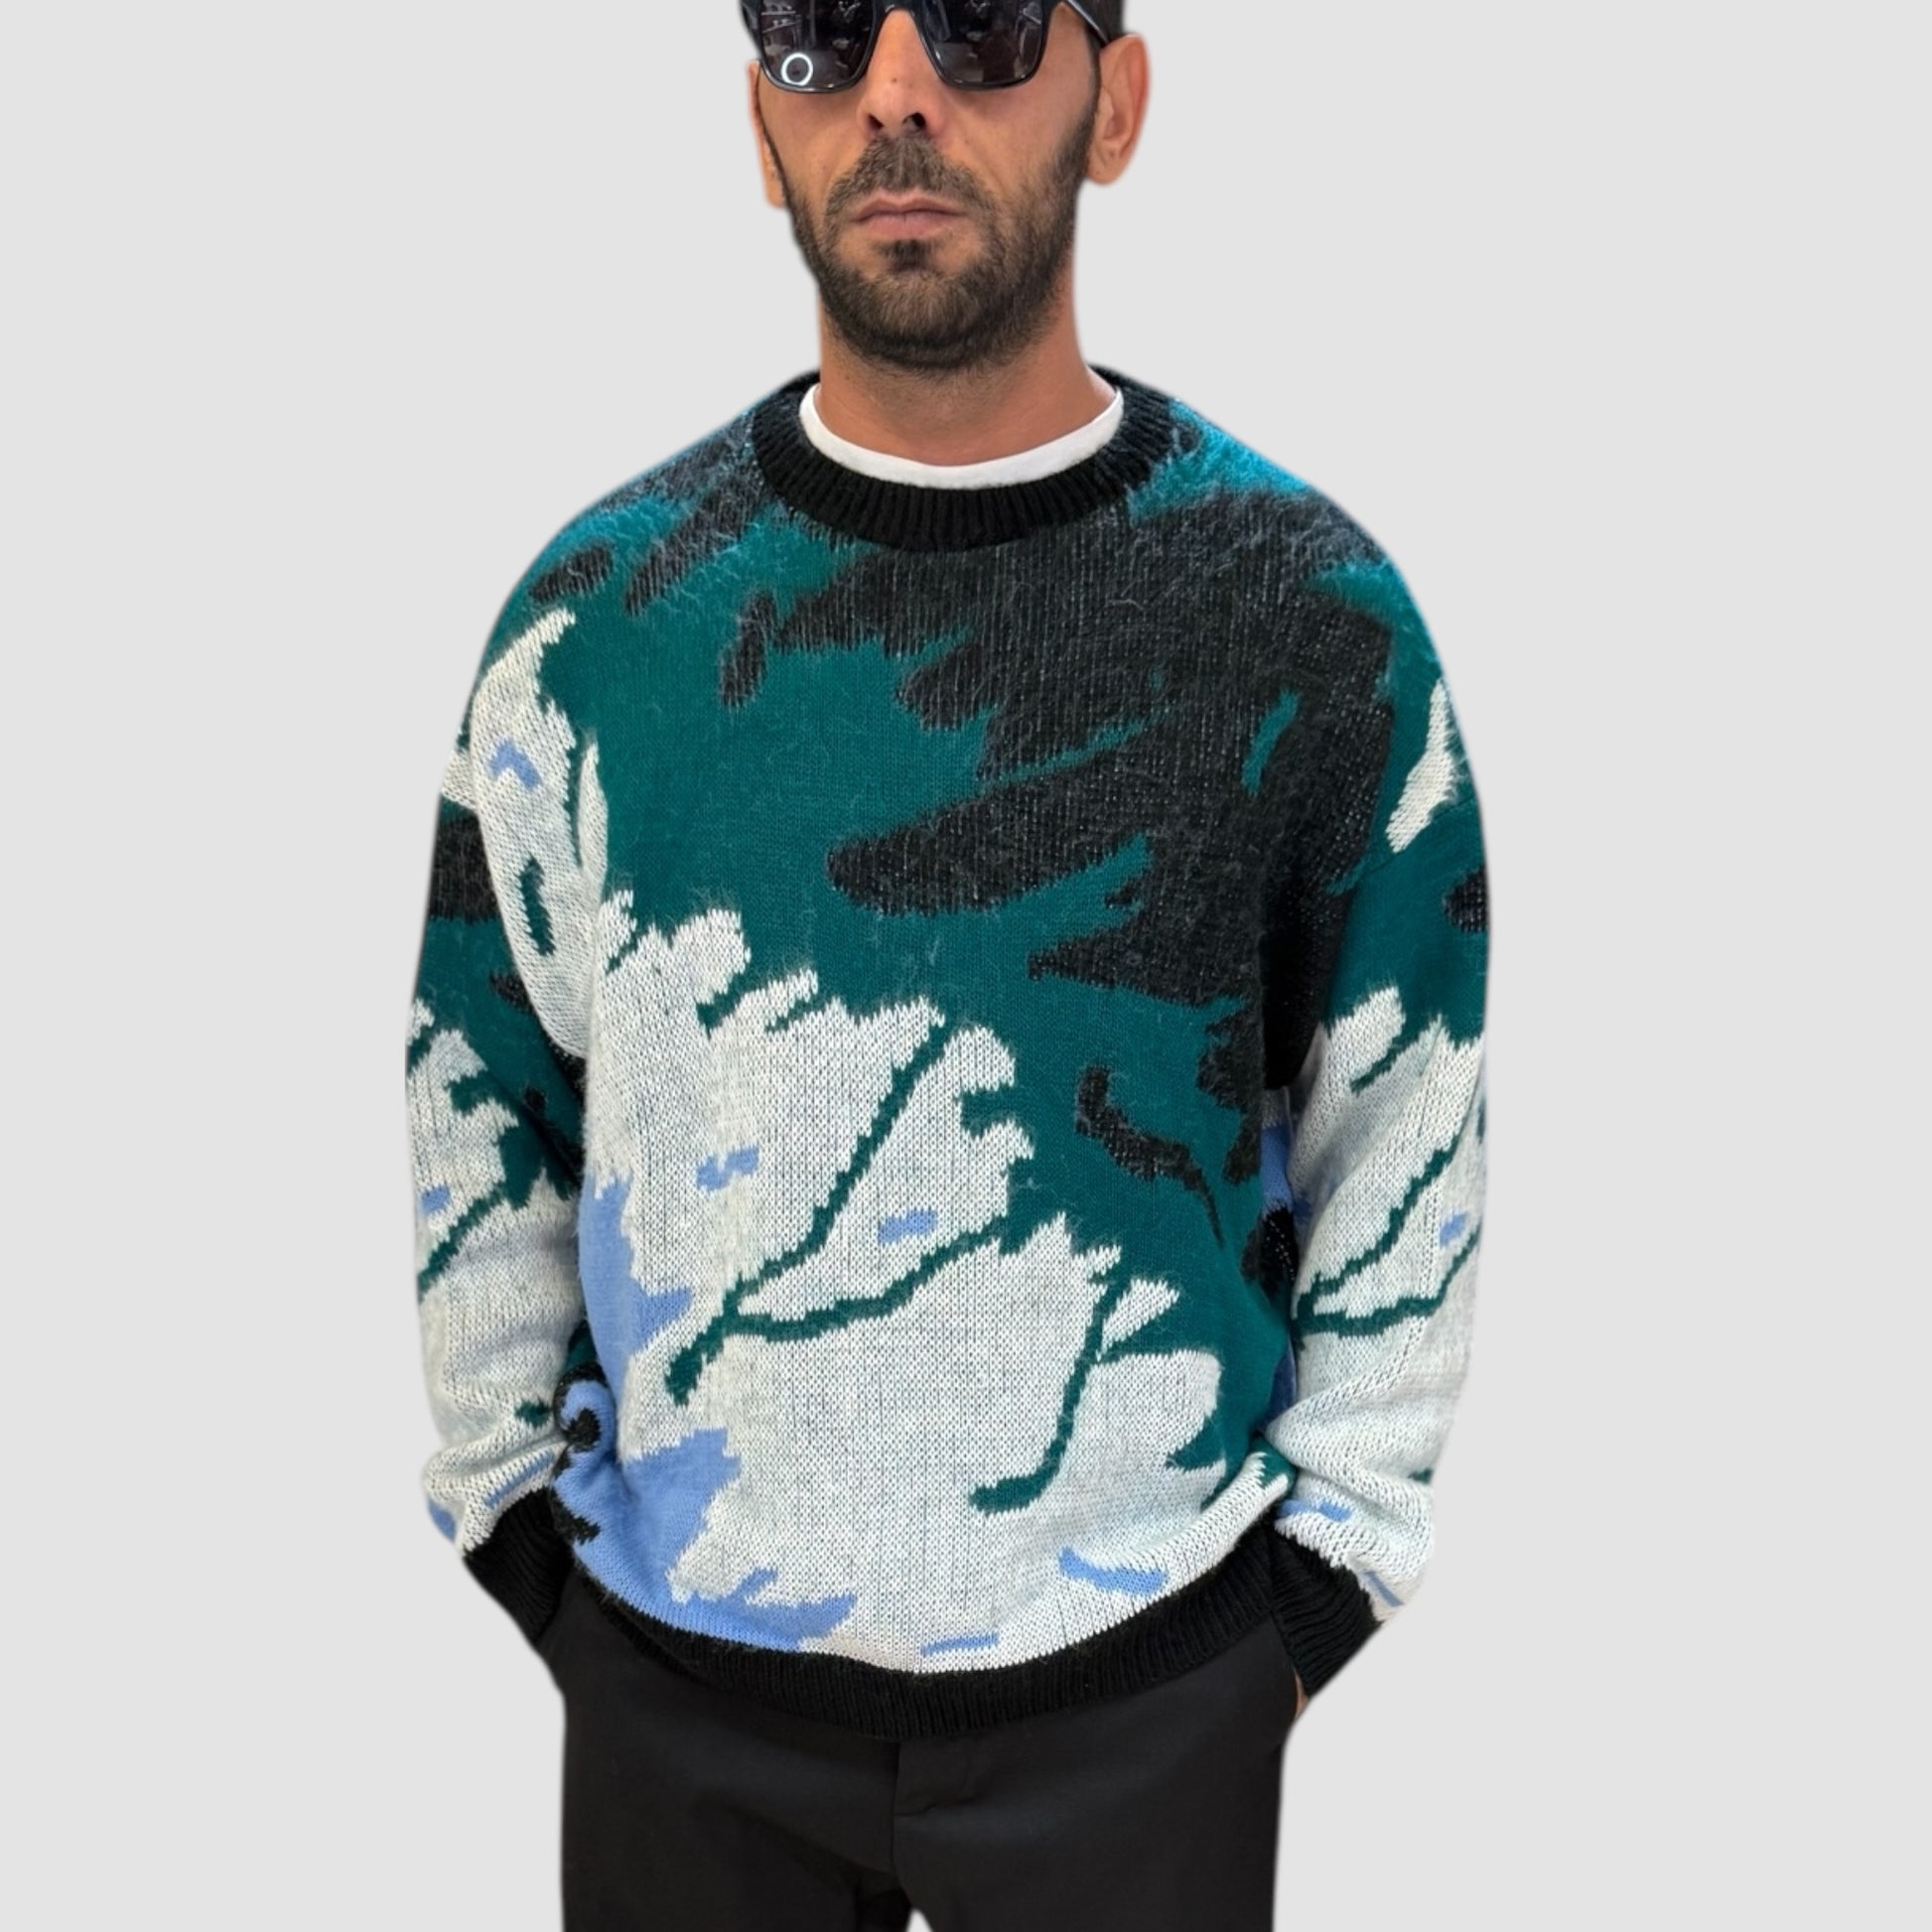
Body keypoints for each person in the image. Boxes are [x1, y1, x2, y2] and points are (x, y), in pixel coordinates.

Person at [402, 4, 1489, 1926]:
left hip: (1147, 1688)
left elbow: (1405, 1110)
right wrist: (523, 1539)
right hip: (676, 1692)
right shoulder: (596, 629)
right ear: (761, 125)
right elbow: (482, 1077)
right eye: (819, 33)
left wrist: (1320, 1583)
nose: (896, 88)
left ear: (1114, 100)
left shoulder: (1304, 619)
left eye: (981, 22)